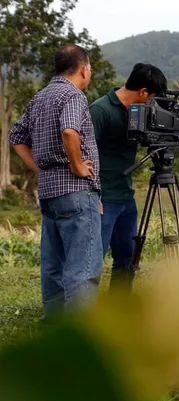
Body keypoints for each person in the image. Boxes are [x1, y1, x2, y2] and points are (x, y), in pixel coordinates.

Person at [9, 44, 102, 320]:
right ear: (83, 69)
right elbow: (69, 131)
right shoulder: (73, 95)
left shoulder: (40, 97)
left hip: (49, 192)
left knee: (54, 266)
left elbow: (16, 138)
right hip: (75, 191)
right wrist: (75, 165)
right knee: (82, 269)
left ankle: (54, 329)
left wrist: (41, 168)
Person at [89, 63, 168, 292]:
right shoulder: (101, 110)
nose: (151, 102)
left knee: (127, 258)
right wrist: (94, 195)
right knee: (93, 260)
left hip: (125, 196)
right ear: (143, 91)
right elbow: (84, 153)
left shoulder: (141, 112)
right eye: (151, 96)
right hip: (103, 197)